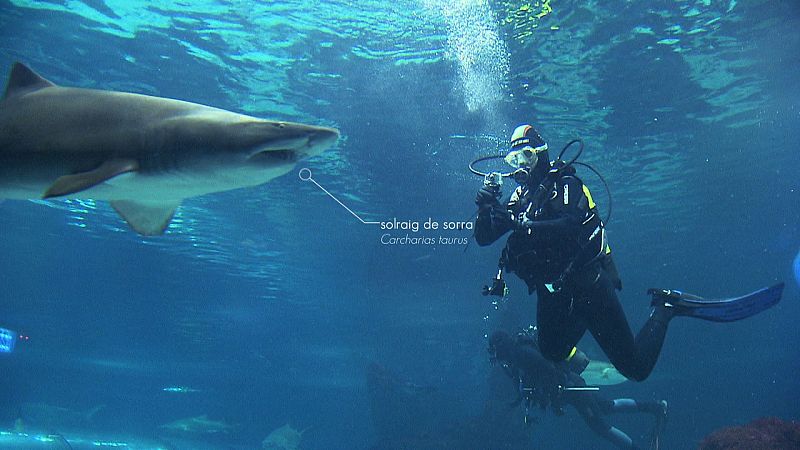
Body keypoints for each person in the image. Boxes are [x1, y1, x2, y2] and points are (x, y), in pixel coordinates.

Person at [474, 124, 784, 381]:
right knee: (552, 351)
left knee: (636, 369)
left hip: (587, 286)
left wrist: (524, 225)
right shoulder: (519, 198)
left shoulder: (566, 183)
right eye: (514, 159)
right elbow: (485, 237)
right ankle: (586, 322)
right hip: (553, 293)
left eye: (526, 155)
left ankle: (665, 307)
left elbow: (570, 224)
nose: (521, 164)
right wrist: (485, 203)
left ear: (541, 153)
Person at [488, 330, 668, 450]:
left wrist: (556, 396)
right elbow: (529, 383)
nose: (495, 357)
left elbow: (549, 370)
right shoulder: (515, 359)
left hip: (572, 388)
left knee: (600, 427)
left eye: (494, 351)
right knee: (607, 406)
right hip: (570, 387)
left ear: (501, 346)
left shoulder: (521, 354)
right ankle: (655, 407)